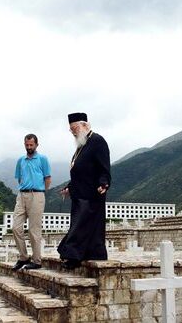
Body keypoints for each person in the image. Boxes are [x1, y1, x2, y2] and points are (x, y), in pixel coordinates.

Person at [57, 113, 111, 270]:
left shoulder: (97, 141)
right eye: (71, 129)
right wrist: (69, 186)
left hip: (92, 193)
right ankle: (91, 254)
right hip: (79, 193)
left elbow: (104, 166)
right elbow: (80, 171)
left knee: (82, 225)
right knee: (82, 225)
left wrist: (104, 182)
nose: (73, 132)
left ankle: (73, 257)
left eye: (75, 128)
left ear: (85, 126)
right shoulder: (82, 145)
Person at [12, 133, 51, 270]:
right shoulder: (20, 160)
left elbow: (47, 179)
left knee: (34, 230)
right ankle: (23, 257)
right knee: (16, 227)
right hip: (22, 195)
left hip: (37, 195)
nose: (29, 147)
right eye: (27, 145)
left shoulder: (42, 159)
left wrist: (40, 192)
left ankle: (36, 261)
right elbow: (19, 178)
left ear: (36, 145)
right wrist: (25, 189)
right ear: (24, 144)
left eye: (31, 145)